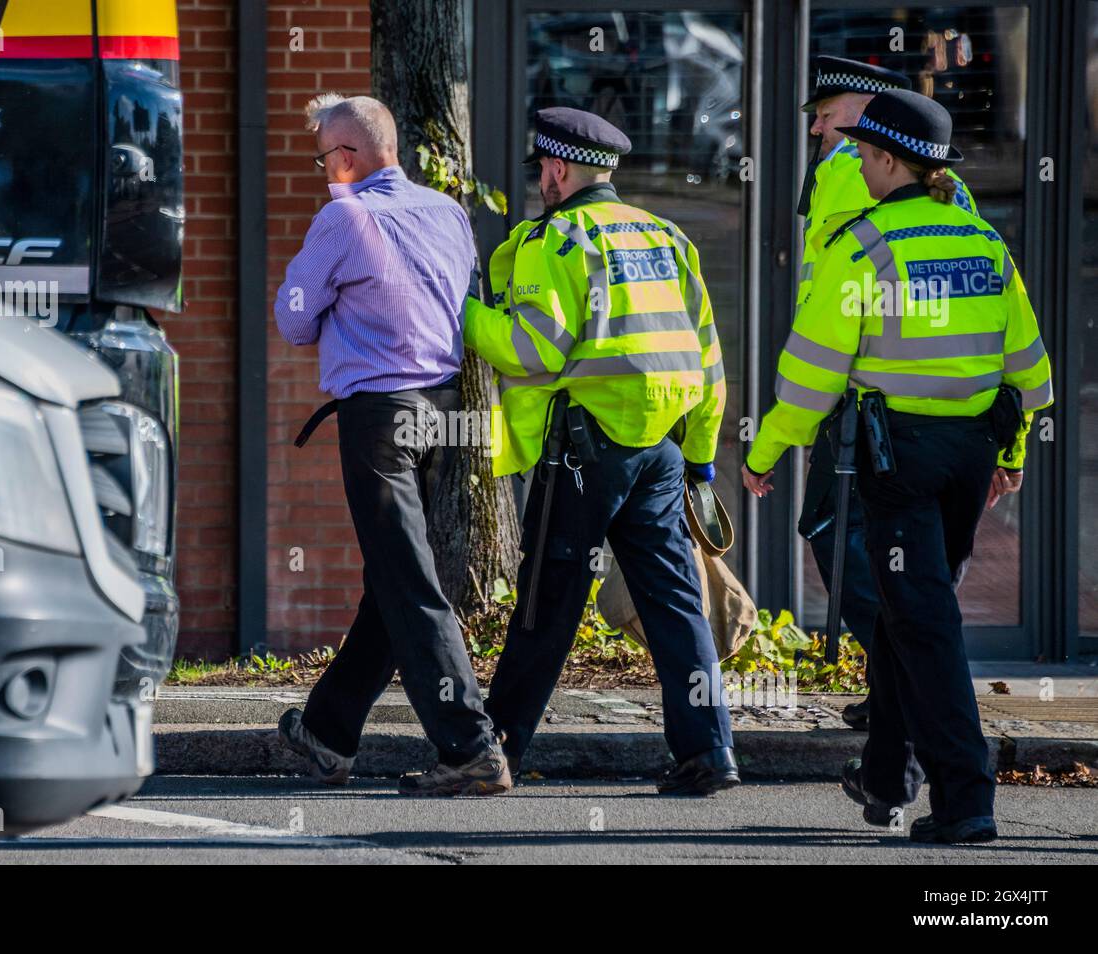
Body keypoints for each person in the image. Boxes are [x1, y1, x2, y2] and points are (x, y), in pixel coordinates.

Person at [743, 90, 1053, 843]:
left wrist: (763, 450)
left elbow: (811, 376)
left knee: (925, 622)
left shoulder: (863, 247)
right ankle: (886, 777)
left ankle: (967, 799)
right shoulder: (983, 243)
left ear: (886, 160)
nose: (854, 161)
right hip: (970, 458)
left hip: (899, 460)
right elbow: (1032, 373)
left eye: (862, 153)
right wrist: (1010, 455)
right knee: (902, 612)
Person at [465, 107, 737, 795]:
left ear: (558, 169)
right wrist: (700, 460)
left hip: (585, 451)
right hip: (663, 453)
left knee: (545, 603)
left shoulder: (558, 239)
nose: (541, 184)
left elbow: (534, 347)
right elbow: (708, 364)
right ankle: (710, 753)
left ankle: (496, 751)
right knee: (677, 605)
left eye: (542, 172)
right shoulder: (667, 237)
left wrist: (462, 314)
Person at [273, 93, 509, 797]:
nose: (322, 172)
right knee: (393, 579)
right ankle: (328, 732)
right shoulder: (447, 212)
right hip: (441, 415)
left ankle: (469, 745)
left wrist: (309, 292)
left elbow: (293, 321)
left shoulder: (344, 216)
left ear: (346, 157)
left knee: (407, 581)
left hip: (378, 416)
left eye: (323, 159)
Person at [796, 56, 978, 732]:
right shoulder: (946, 185)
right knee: (906, 555)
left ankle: (908, 683)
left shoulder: (850, 170)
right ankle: (896, 697)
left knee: (835, 533)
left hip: (863, 398)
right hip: (945, 405)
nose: (818, 127)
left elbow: (838, 299)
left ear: (870, 112)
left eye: (828, 112)